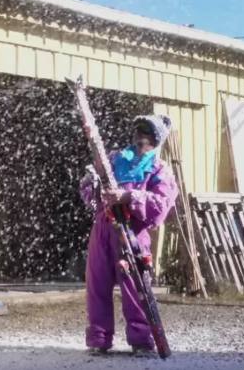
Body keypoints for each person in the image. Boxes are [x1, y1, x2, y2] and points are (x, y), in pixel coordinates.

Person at [79, 115, 179, 356]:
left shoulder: (159, 170)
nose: (139, 138)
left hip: (132, 232)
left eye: (145, 134)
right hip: (103, 227)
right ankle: (99, 338)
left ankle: (141, 340)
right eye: (137, 132)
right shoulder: (113, 159)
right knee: (97, 284)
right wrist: (93, 185)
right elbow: (88, 194)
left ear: (155, 140)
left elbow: (161, 207)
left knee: (135, 287)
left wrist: (128, 197)